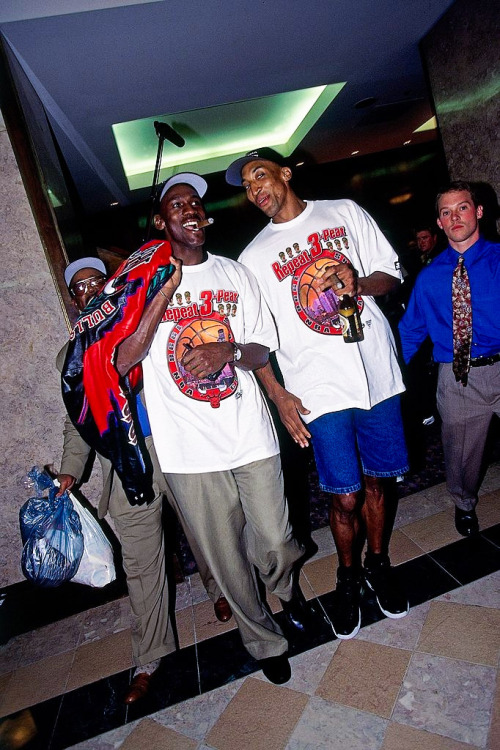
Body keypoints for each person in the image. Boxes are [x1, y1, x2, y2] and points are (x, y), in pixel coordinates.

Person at [128, 173, 307, 684]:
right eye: (176, 205)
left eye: (194, 203)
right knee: (227, 561)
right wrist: (159, 297)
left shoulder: (234, 274)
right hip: (188, 449)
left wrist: (225, 350)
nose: (189, 209)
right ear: (162, 222)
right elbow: (123, 359)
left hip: (248, 431)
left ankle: (287, 589)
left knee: (273, 539)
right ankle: (263, 639)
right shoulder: (142, 285)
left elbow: (259, 348)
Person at [225, 148, 410, 639]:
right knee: (344, 495)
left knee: (379, 482)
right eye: (245, 185)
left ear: (286, 173)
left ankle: (379, 563)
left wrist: (358, 281)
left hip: (377, 374)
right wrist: (279, 396)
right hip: (317, 389)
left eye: (259, 175)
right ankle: (347, 576)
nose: (254, 189)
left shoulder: (343, 213)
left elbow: (390, 275)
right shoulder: (254, 258)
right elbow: (255, 341)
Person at [57, 257, 231, 704]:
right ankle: (150, 656)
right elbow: (79, 421)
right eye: (80, 287)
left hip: (176, 449)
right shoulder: (71, 355)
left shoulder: (145, 321)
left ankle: (223, 590)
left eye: (97, 281)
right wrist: (69, 471)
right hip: (125, 470)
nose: (90, 290)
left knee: (204, 529)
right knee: (141, 563)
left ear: (112, 284)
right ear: (73, 300)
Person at [399, 181, 500, 537]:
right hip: (458, 378)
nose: (455, 216)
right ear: (439, 223)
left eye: (462, 207)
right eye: (446, 212)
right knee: (461, 457)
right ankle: (464, 504)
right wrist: (396, 380)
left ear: (479, 211)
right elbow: (410, 331)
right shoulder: (428, 278)